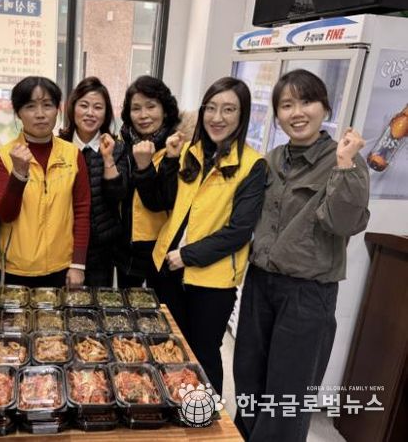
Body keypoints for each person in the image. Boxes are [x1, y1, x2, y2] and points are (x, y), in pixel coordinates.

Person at [233, 69, 370, 442]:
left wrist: (345, 164)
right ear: (277, 114)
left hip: (307, 293)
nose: (297, 112)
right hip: (260, 283)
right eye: (286, 105)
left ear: (325, 106)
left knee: (288, 392)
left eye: (306, 101)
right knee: (248, 377)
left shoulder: (345, 160)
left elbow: (345, 223)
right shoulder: (273, 158)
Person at [140, 77, 266, 395]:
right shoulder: (188, 152)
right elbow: (161, 202)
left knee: (202, 353)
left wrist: (188, 255)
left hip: (211, 281)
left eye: (228, 109)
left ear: (242, 115)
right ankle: (173, 409)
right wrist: (170, 161)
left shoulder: (253, 165)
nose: (217, 117)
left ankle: (205, 416)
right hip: (167, 269)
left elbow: (239, 231)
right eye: (211, 108)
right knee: (167, 349)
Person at [0, 76, 91, 287]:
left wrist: (78, 264)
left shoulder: (73, 154)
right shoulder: (4, 156)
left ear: (57, 110)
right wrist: (18, 174)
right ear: (18, 113)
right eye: (30, 106)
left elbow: (82, 210)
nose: (40, 114)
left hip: (62, 267)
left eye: (47, 105)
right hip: (16, 269)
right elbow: (5, 214)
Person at [59, 77, 128, 286]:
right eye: (84, 105)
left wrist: (108, 159)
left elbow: (117, 196)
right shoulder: (58, 145)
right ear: (73, 108)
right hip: (61, 243)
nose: (90, 113)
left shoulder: (117, 147)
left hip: (101, 250)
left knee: (95, 303)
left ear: (106, 113)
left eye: (98, 107)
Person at [115, 75, 180, 291]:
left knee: (159, 307)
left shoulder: (177, 147)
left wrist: (144, 167)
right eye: (136, 108)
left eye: (151, 106)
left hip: (160, 250)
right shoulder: (123, 144)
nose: (143, 115)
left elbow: (164, 201)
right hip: (125, 250)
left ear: (165, 110)